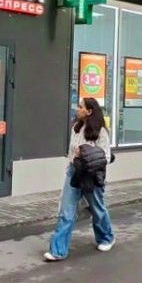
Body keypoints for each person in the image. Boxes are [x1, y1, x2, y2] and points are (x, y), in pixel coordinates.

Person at [45, 97, 115, 261]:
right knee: (66, 212)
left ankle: (106, 238)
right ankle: (58, 251)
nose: (77, 109)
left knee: (97, 209)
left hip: (91, 175)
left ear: (89, 111)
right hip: (74, 173)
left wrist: (85, 152)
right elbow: (71, 154)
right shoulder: (76, 128)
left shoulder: (100, 132)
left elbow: (106, 156)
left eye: (80, 107)